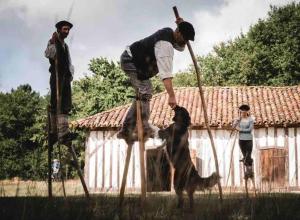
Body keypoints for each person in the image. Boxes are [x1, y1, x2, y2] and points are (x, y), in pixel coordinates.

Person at [117, 18, 195, 144]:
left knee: (143, 93)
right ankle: (143, 126)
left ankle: (126, 129)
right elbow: (166, 74)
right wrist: (171, 96)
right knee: (145, 91)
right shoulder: (165, 46)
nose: (185, 42)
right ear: (178, 33)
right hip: (131, 61)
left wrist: (180, 24)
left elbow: (180, 47)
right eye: (185, 39)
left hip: (140, 66)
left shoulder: (171, 33)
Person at [45, 20, 76, 143]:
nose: (67, 32)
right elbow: (48, 54)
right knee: (55, 103)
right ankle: (54, 133)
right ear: (59, 30)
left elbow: (69, 62)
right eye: (65, 29)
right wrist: (53, 42)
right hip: (56, 76)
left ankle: (64, 134)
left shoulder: (65, 46)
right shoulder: (53, 41)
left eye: (68, 30)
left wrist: (70, 75)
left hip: (65, 77)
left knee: (65, 104)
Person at [232, 104, 254, 177]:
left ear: (247, 111)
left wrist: (240, 129)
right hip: (241, 140)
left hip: (248, 139)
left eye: (245, 111)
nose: (243, 112)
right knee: (245, 155)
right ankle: (248, 172)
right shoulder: (239, 119)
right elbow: (233, 127)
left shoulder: (250, 119)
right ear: (241, 111)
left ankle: (249, 172)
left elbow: (250, 129)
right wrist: (236, 122)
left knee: (248, 155)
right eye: (242, 111)